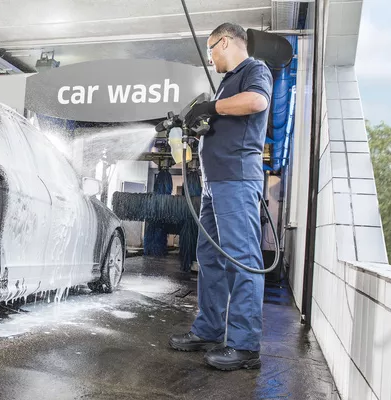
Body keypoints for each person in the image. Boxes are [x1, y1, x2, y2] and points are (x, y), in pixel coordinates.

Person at [168, 22, 273, 371]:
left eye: (211, 49)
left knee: (242, 259)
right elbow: (224, 118)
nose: (211, 57)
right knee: (210, 259)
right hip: (215, 184)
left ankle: (244, 346)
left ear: (223, 42)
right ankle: (210, 330)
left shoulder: (254, 70)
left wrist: (212, 108)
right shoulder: (229, 81)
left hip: (236, 181)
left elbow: (256, 101)